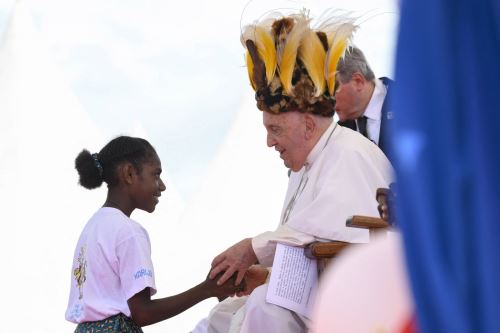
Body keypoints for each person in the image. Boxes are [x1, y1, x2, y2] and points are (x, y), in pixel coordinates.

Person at [193, 11, 394, 333]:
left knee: (265, 307)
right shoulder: (309, 163)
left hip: (367, 302)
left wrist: (253, 249)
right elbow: (315, 237)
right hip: (328, 293)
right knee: (222, 314)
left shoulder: (349, 153)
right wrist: (269, 274)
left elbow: (344, 241)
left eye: (275, 130)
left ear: (308, 125)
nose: (269, 142)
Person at [65, 136, 240, 332]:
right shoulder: (128, 232)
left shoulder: (92, 227)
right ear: (129, 173)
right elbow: (142, 312)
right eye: (155, 175)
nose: (162, 185)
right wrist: (207, 289)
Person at [335, 46, 394, 157]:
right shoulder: (337, 133)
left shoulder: (410, 105)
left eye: (332, 89)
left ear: (358, 81)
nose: (327, 98)